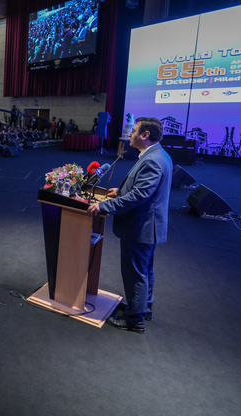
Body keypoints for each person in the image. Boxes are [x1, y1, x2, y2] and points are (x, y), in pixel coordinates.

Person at [87, 117, 173, 334]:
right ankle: (143, 308)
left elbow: (140, 196)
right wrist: (121, 192)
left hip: (140, 226)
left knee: (135, 273)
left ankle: (135, 319)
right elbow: (143, 190)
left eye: (134, 131)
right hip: (148, 225)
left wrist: (105, 205)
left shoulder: (152, 159)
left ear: (145, 135)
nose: (130, 134)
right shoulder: (158, 154)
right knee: (145, 270)